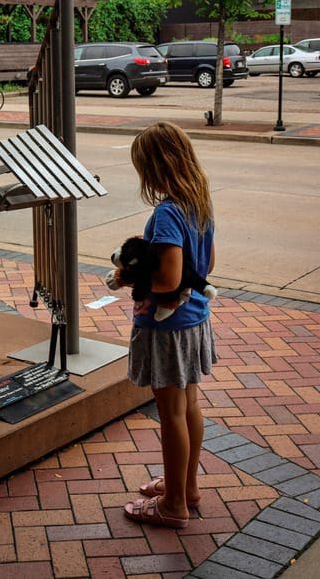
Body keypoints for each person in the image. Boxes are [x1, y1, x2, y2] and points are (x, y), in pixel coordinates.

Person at [121, 121, 217, 530]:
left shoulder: (166, 213)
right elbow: (208, 265)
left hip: (167, 328)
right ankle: (187, 486)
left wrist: (129, 276)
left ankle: (174, 504)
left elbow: (169, 280)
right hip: (195, 319)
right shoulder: (198, 201)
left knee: (171, 414)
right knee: (189, 407)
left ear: (155, 168)